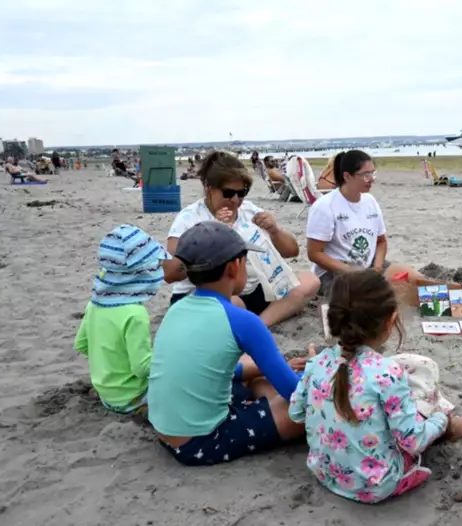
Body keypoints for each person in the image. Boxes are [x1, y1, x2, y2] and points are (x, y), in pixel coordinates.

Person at [289, 270, 462, 503]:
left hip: (324, 472)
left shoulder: (317, 362)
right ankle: (448, 423)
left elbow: (296, 413)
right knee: (424, 393)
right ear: (390, 321)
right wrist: (440, 420)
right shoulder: (386, 373)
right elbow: (412, 442)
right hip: (378, 485)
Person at [148, 221, 307, 466]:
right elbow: (298, 396)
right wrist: (316, 372)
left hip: (166, 431)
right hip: (201, 441)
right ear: (234, 266)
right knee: (309, 408)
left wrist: (261, 370)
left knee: (254, 374)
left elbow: (205, 367)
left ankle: (264, 390)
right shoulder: (244, 321)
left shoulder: (177, 308)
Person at [164, 151, 319, 327]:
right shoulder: (190, 218)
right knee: (233, 303)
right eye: (228, 193)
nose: (235, 200)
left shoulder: (248, 210)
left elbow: (291, 252)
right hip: (205, 293)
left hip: (252, 288)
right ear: (208, 188)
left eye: (242, 192)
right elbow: (171, 273)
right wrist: (215, 237)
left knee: (308, 282)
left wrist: (275, 230)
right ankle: (251, 323)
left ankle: (259, 324)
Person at [306, 149, 428, 295]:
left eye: (373, 173)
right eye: (365, 175)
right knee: (374, 294)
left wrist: (377, 268)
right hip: (335, 273)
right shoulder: (325, 206)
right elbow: (314, 253)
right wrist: (351, 271)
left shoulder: (370, 201)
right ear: (347, 176)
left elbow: (381, 241)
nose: (371, 179)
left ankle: (445, 297)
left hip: (369, 267)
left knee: (415, 280)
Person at [74, 225, 168, 415]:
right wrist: (169, 360)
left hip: (106, 394)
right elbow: (142, 368)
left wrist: (111, 365)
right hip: (133, 397)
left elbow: (81, 345)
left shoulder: (94, 305)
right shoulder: (135, 314)